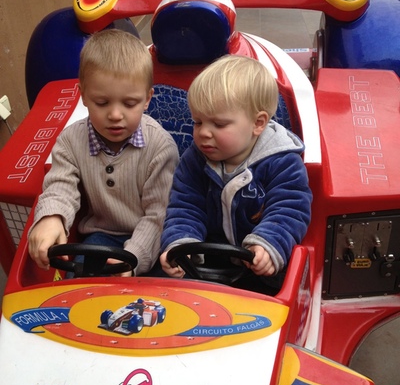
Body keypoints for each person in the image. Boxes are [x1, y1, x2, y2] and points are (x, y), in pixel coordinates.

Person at [28, 29, 179, 276]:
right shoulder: (70, 141)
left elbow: (158, 214)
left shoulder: (160, 146)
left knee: (173, 287)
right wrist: (51, 216)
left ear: (147, 99)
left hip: (152, 238)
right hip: (101, 236)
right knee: (80, 280)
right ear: (84, 96)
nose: (116, 115)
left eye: (129, 104)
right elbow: (60, 186)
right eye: (102, 103)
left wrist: (132, 258)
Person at [159, 55, 312, 291]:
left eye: (218, 125)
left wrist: (268, 244)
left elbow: (290, 208)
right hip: (209, 261)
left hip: (260, 267)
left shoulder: (282, 161)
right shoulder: (195, 158)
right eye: (198, 122)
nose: (203, 133)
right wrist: (182, 243)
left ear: (258, 123)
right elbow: (185, 206)